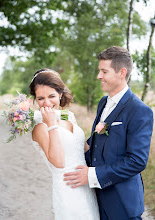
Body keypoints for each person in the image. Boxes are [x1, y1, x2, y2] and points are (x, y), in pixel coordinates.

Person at [64, 46, 154, 219]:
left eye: (104, 71)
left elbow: (137, 161)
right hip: (96, 199)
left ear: (121, 72)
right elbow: (98, 144)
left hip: (122, 203)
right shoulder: (103, 102)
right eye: (99, 71)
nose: (99, 76)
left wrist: (92, 175)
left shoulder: (140, 110)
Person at [29, 68, 100, 220]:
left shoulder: (69, 118)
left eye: (51, 96)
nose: (46, 103)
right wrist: (51, 125)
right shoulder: (40, 127)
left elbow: (83, 148)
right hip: (68, 192)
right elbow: (59, 162)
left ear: (60, 94)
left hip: (86, 187)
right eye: (40, 98)